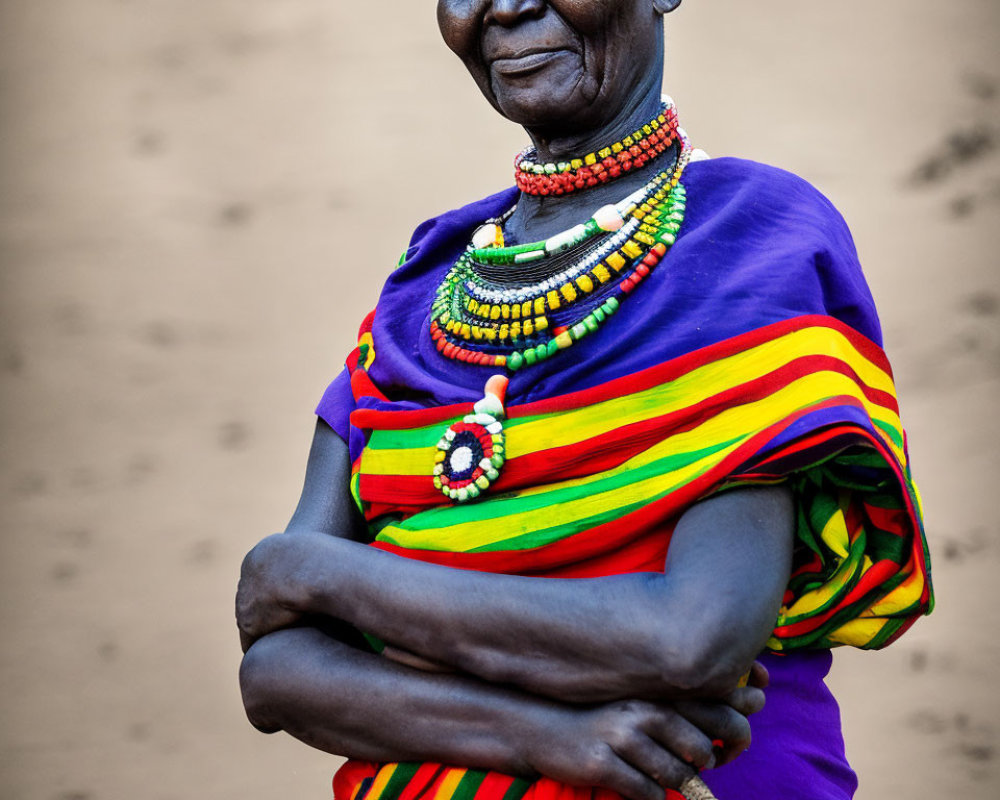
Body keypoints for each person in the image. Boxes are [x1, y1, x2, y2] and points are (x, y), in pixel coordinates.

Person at [236, 2, 933, 799]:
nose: (506, 6)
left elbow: (692, 638)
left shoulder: (748, 243)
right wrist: (549, 735)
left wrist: (309, 569)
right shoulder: (420, 292)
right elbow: (277, 672)